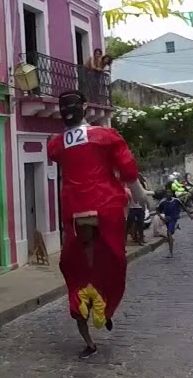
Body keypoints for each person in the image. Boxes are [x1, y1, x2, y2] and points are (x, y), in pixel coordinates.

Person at [47, 89, 150, 359]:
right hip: (105, 203)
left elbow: (59, 159)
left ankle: (85, 308)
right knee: (114, 256)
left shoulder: (56, 144)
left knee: (74, 260)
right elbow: (128, 170)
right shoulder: (105, 136)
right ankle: (107, 304)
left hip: (72, 205)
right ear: (85, 107)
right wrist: (140, 197)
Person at [155, 188, 191, 258]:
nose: (169, 194)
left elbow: (183, 206)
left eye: (170, 193)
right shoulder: (163, 201)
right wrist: (162, 218)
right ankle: (176, 227)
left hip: (174, 218)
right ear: (165, 194)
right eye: (167, 193)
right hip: (167, 219)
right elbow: (157, 210)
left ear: (172, 194)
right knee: (170, 234)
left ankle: (171, 253)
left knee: (169, 233)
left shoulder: (176, 200)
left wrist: (189, 215)